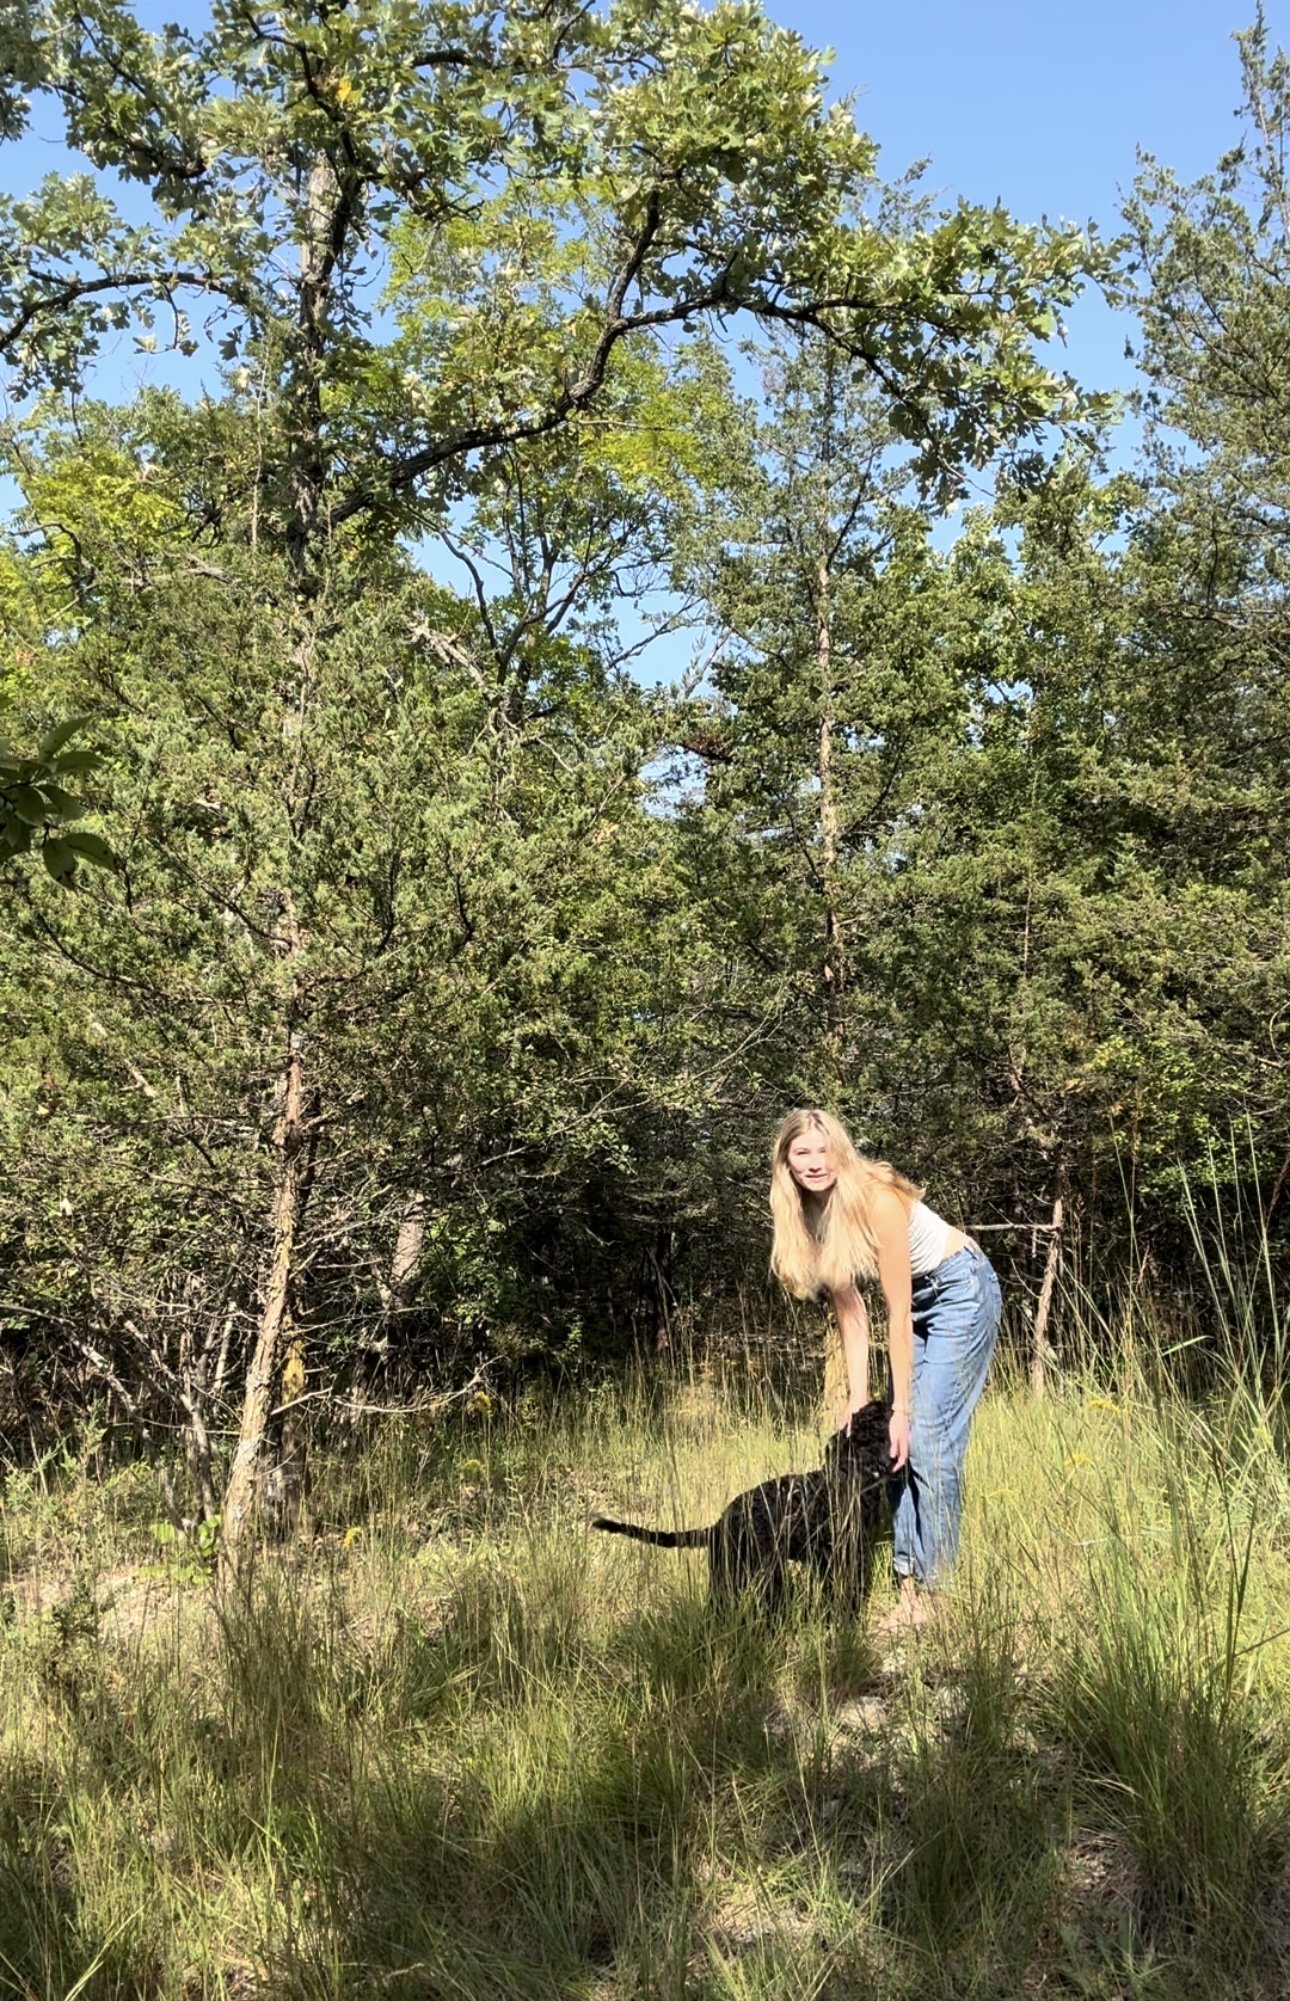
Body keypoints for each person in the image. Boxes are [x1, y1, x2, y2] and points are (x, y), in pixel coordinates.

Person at [769, 1107, 1001, 1632]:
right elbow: (852, 1314)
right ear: (786, 1162)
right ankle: (908, 1587)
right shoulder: (809, 1215)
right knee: (894, 1449)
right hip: (916, 1305)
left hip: (959, 1290)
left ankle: (936, 1599)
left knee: (927, 1439)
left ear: (840, 1151)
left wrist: (900, 1407)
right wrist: (858, 1398)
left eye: (823, 1150)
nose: (814, 1162)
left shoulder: (876, 1198)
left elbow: (897, 1312)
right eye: (801, 1152)